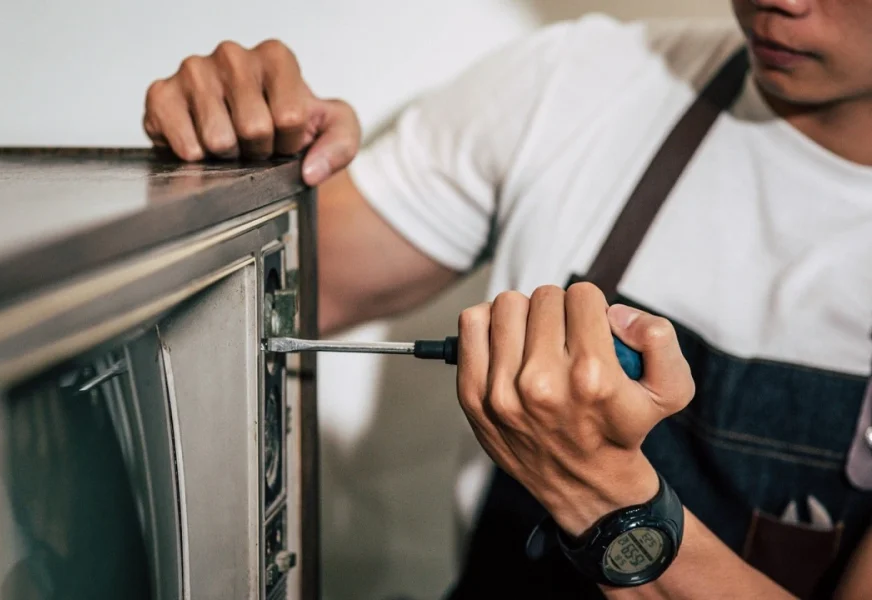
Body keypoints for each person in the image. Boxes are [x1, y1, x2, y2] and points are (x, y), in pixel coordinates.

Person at [142, 0, 872, 597]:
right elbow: (245, 308)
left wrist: (608, 503)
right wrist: (237, 169)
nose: (781, 1)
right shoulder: (579, 83)